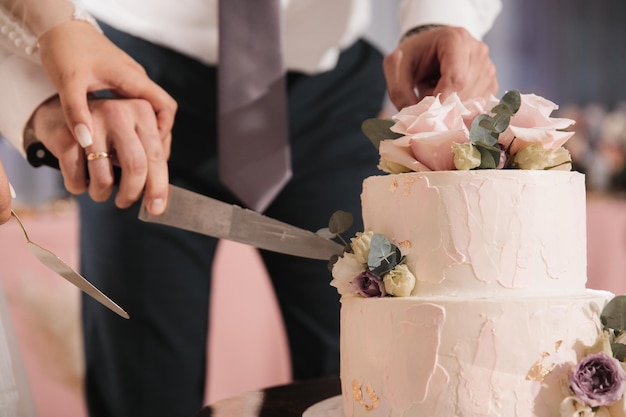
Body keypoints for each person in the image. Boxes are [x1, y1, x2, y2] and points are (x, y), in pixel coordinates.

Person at [0, 1, 502, 416]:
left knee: (366, 375)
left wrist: (439, 18)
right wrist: (48, 62)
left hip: (325, 90)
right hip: (128, 83)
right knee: (143, 383)